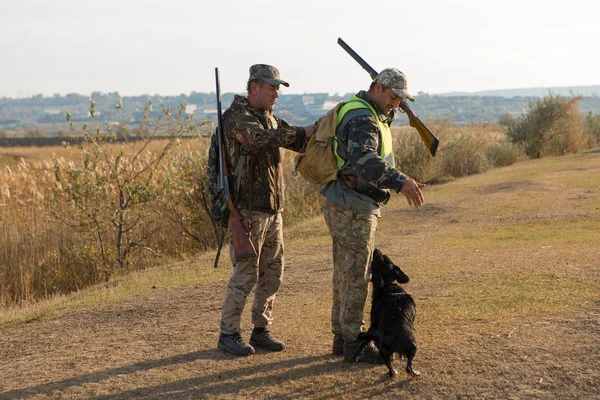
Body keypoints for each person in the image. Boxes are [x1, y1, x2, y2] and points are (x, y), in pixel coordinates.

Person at [320, 67, 425, 363]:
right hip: (353, 203)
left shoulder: (364, 110)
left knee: (346, 271)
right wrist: (401, 181)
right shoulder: (364, 117)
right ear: (377, 87)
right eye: (392, 97)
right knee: (356, 274)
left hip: (346, 199)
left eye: (399, 100)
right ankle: (353, 341)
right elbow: (365, 160)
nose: (395, 104)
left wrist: (391, 108)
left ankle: (343, 337)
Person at [217, 64, 319, 356]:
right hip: (247, 212)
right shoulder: (237, 117)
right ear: (254, 88)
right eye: (272, 87)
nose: (276, 93)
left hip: (274, 211)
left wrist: (318, 129)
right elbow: (258, 141)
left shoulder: (270, 119)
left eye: (277, 88)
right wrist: (302, 131)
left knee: (272, 273)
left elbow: (296, 140)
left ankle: (261, 330)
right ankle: (228, 333)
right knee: (246, 274)